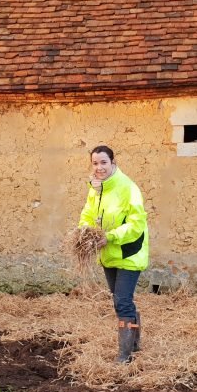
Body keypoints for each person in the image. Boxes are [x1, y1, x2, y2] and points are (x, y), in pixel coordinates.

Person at [78, 145, 149, 363]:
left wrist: (110, 237)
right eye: (95, 163)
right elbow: (88, 213)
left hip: (128, 252)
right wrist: (84, 231)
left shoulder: (128, 188)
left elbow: (137, 225)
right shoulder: (96, 189)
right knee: (121, 299)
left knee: (122, 302)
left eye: (103, 162)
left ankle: (124, 356)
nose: (99, 167)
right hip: (107, 252)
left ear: (113, 163)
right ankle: (135, 344)